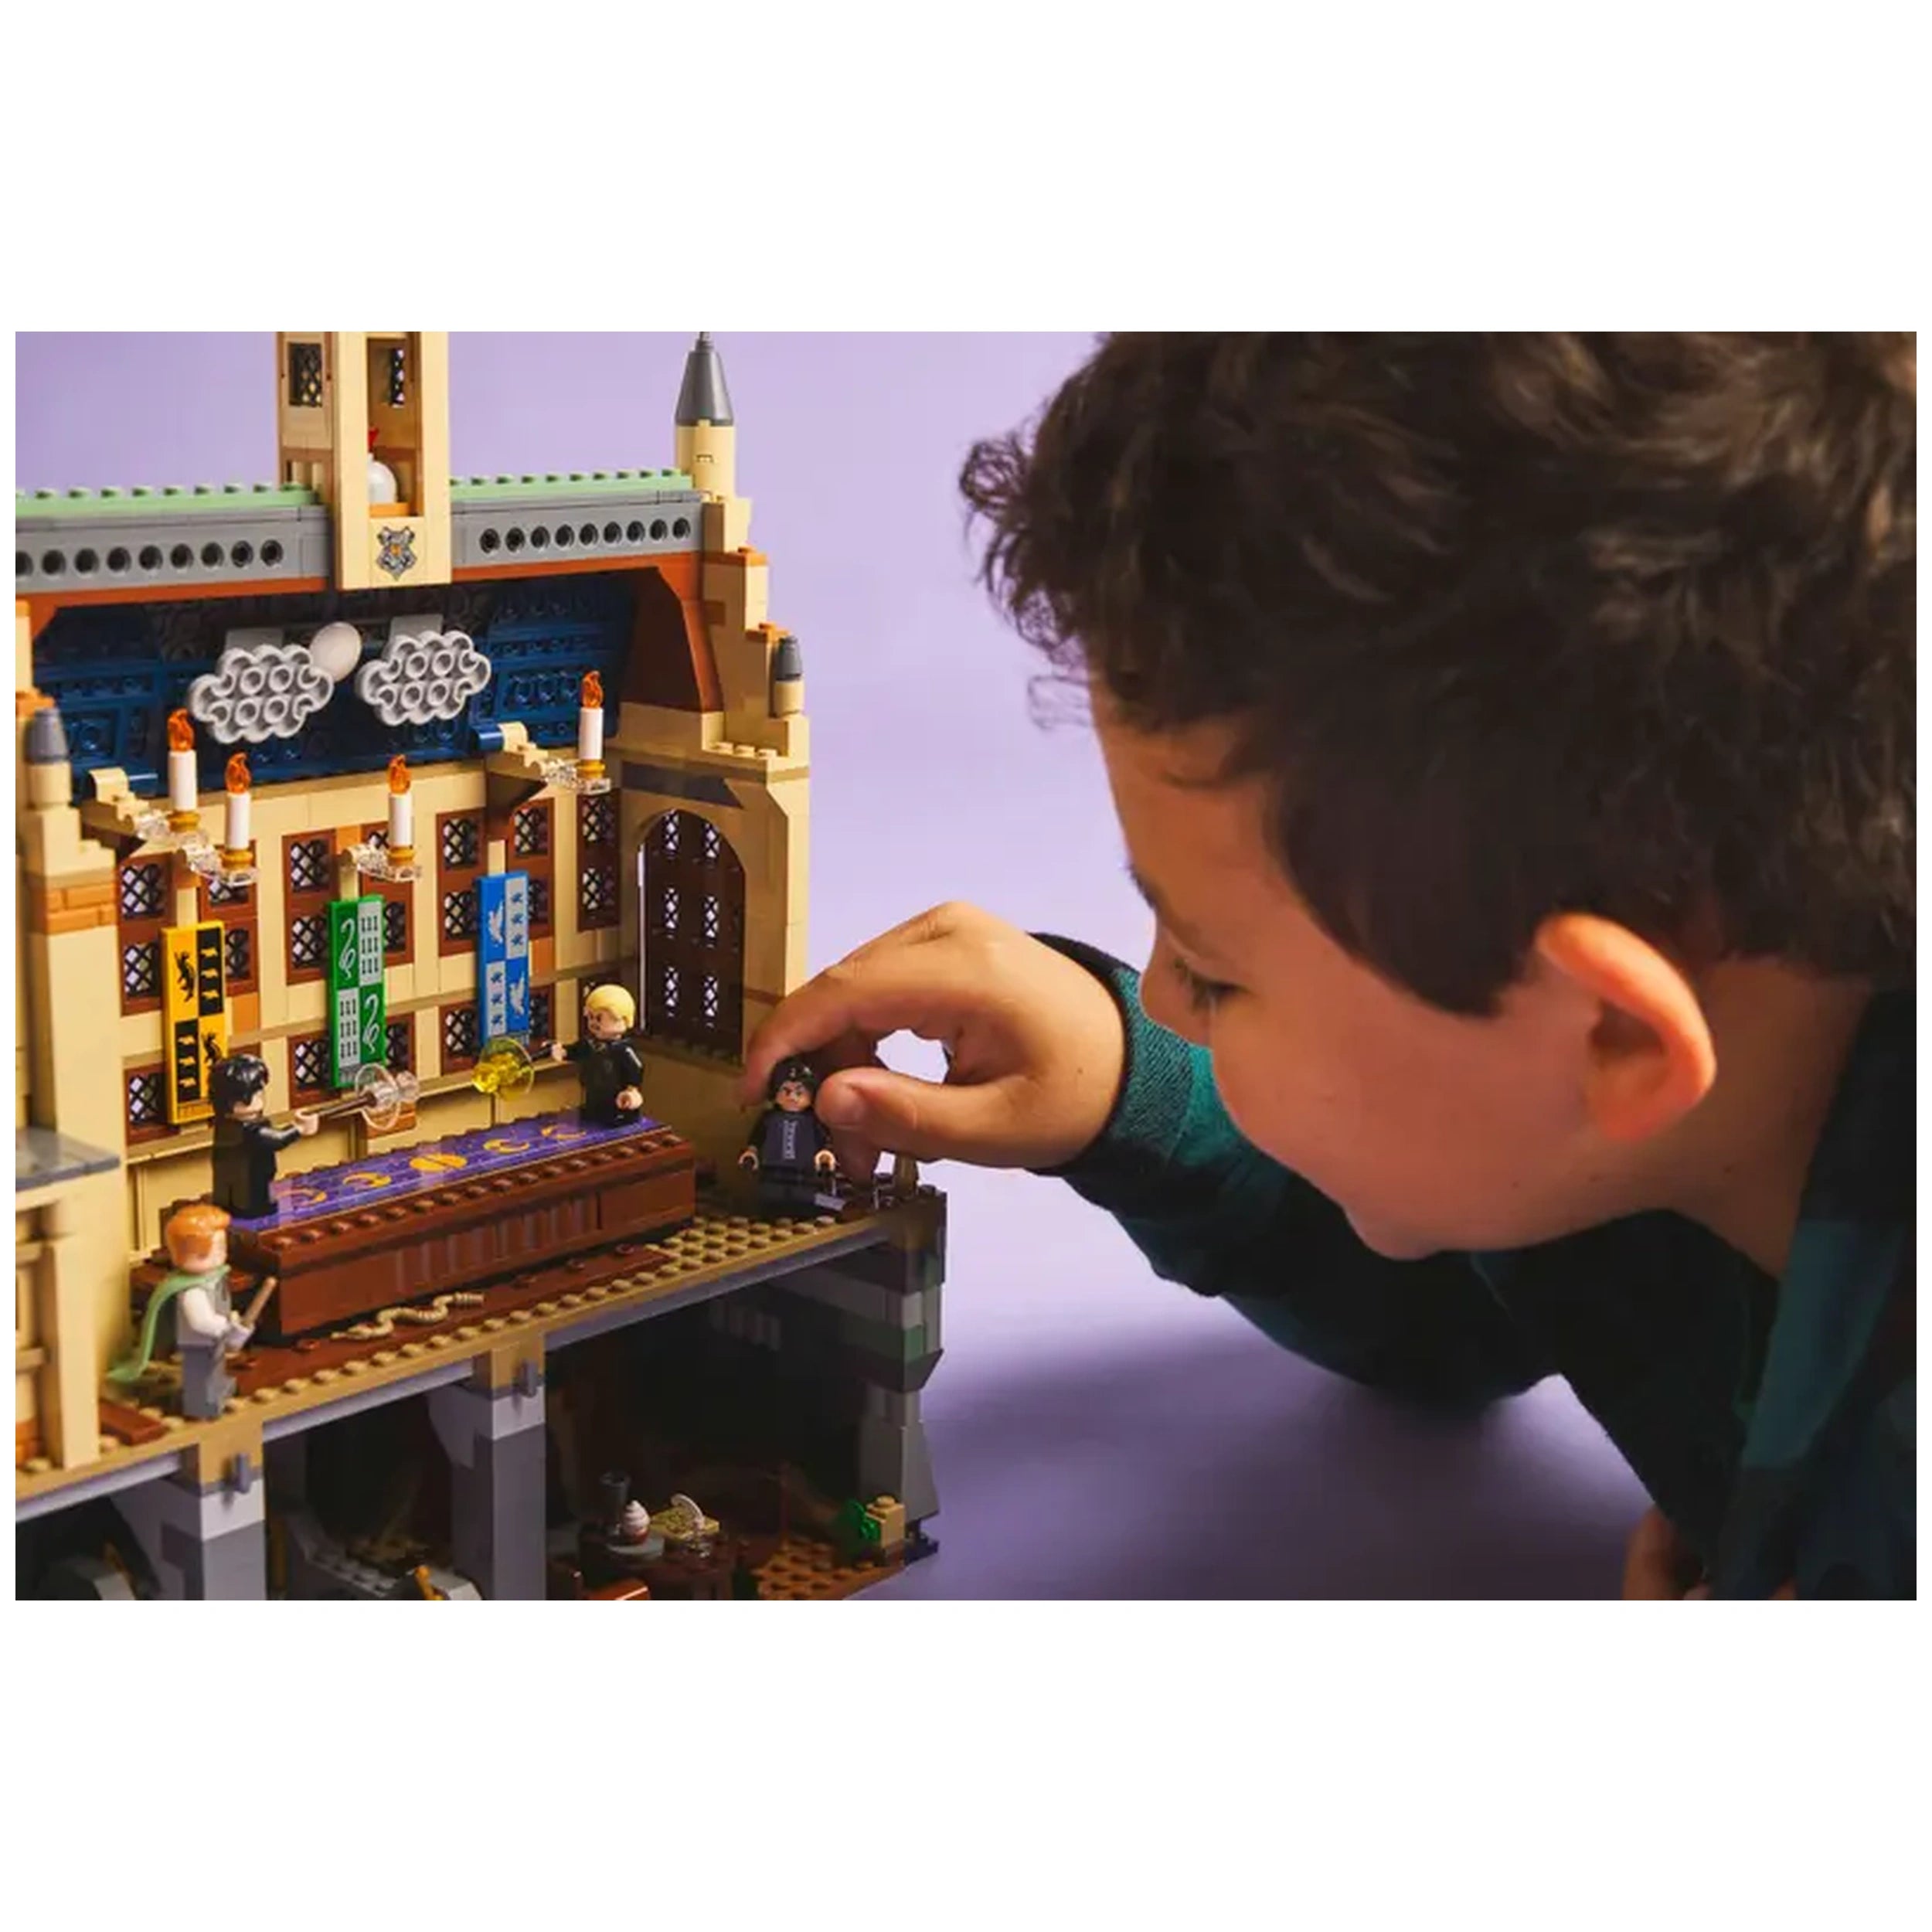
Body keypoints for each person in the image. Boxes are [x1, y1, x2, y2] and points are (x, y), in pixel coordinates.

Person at [738, 334, 1915, 1600]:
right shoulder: (1686, 1089)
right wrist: (1131, 1090)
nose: (1169, 996)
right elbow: (1470, 1256)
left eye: (1214, 971)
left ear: (1612, 1038)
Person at [108, 1204, 273, 1420]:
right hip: (198, 1342)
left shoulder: (212, 1278)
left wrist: (231, 1320)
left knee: (214, 1367)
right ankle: (201, 1404)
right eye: (210, 1252)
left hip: (212, 1341)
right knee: (200, 1372)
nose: (219, 1256)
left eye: (221, 1249)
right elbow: (199, 1322)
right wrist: (225, 1326)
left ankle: (215, 1389)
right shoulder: (191, 1290)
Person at [209, 1053, 318, 1218]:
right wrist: (299, 1129)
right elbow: (277, 1139)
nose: (260, 1095)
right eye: (256, 1091)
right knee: (254, 1193)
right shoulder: (247, 1130)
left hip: (233, 1188)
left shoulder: (225, 1126)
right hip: (250, 1192)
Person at [738, 1056, 838, 1212]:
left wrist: (826, 1152)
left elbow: (823, 1139)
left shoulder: (813, 1120)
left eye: (799, 1092)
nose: (792, 1097)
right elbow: (757, 1138)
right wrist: (751, 1152)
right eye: (786, 1091)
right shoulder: (769, 1118)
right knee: (769, 1197)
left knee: (809, 1199)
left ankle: (837, 1206)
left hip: (804, 1175)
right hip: (772, 1173)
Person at [549, 984, 645, 1127]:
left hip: (617, 1101)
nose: (593, 1023)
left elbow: (636, 1069)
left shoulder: (623, 1050)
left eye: (599, 1018)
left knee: (615, 1111)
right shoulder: (589, 1043)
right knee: (592, 1107)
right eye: (590, 1017)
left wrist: (631, 1090)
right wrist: (563, 1052)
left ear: (622, 1020)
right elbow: (575, 1051)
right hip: (592, 1092)